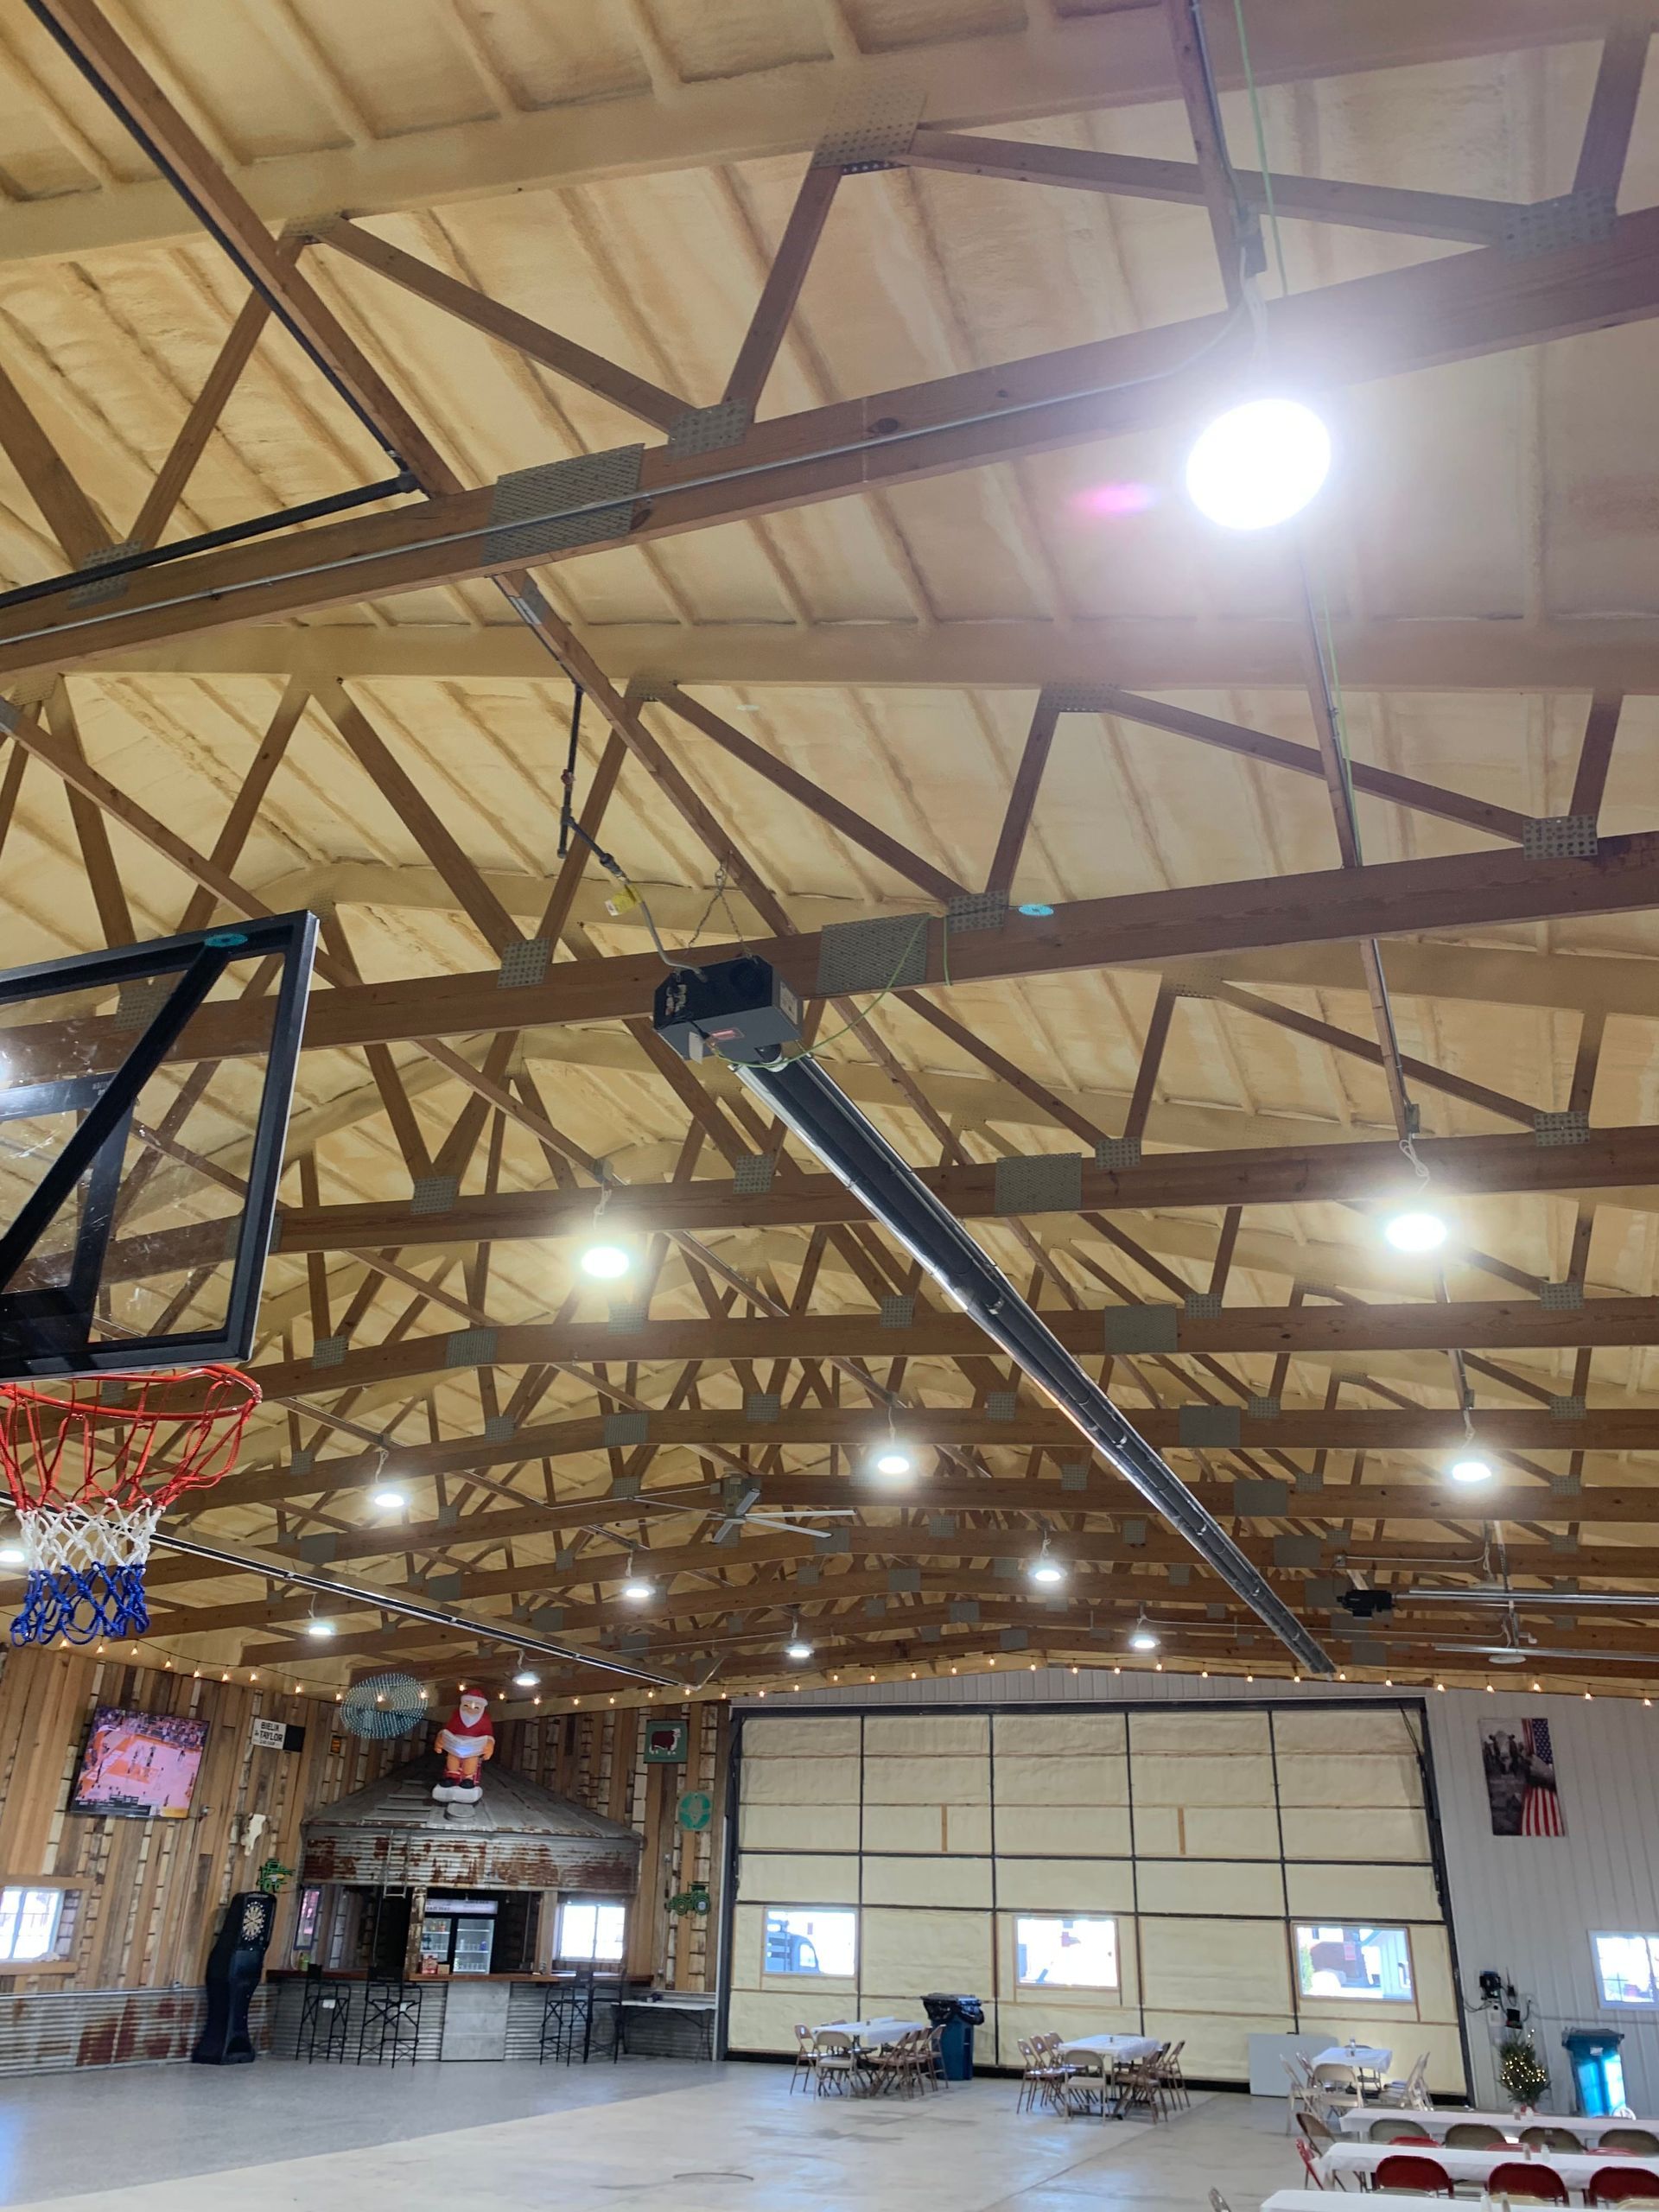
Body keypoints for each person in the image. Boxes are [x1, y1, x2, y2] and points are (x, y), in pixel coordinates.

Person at [432, 1692, 495, 1804]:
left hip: (473, 1746)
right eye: (466, 1706)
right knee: (452, 1758)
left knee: (471, 1759)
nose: (470, 1710)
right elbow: (447, 1730)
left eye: (476, 1707)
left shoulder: (485, 1719)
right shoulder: (456, 1715)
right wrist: (441, 1739)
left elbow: (488, 1734)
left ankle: (468, 1779)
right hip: (455, 1744)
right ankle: (451, 1777)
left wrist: (489, 1745)